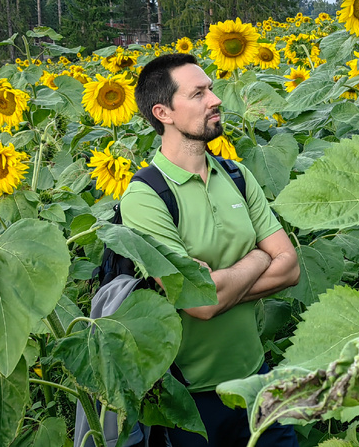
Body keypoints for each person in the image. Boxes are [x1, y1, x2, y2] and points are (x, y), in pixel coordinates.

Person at [120, 53, 301, 447]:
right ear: (163, 112)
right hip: (191, 399)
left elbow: (290, 268)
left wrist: (218, 287)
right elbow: (198, 302)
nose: (215, 99)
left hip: (257, 377)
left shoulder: (236, 175)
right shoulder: (145, 197)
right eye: (198, 93)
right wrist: (257, 256)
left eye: (212, 89)